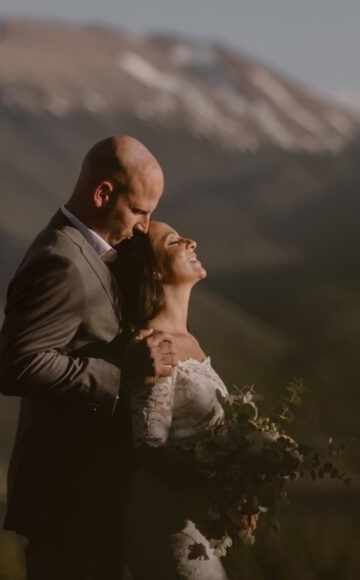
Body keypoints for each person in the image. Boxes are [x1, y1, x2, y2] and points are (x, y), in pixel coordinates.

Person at [0, 136, 183, 580]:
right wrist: (123, 376)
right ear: (102, 194)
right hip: (66, 497)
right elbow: (17, 365)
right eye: (140, 211)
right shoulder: (59, 260)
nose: (144, 226)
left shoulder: (92, 254)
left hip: (90, 491)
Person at [112, 220, 257, 580]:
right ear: (156, 272)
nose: (192, 241)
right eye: (175, 241)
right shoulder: (154, 344)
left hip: (191, 515)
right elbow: (149, 446)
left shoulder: (188, 339)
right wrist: (221, 489)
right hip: (163, 520)